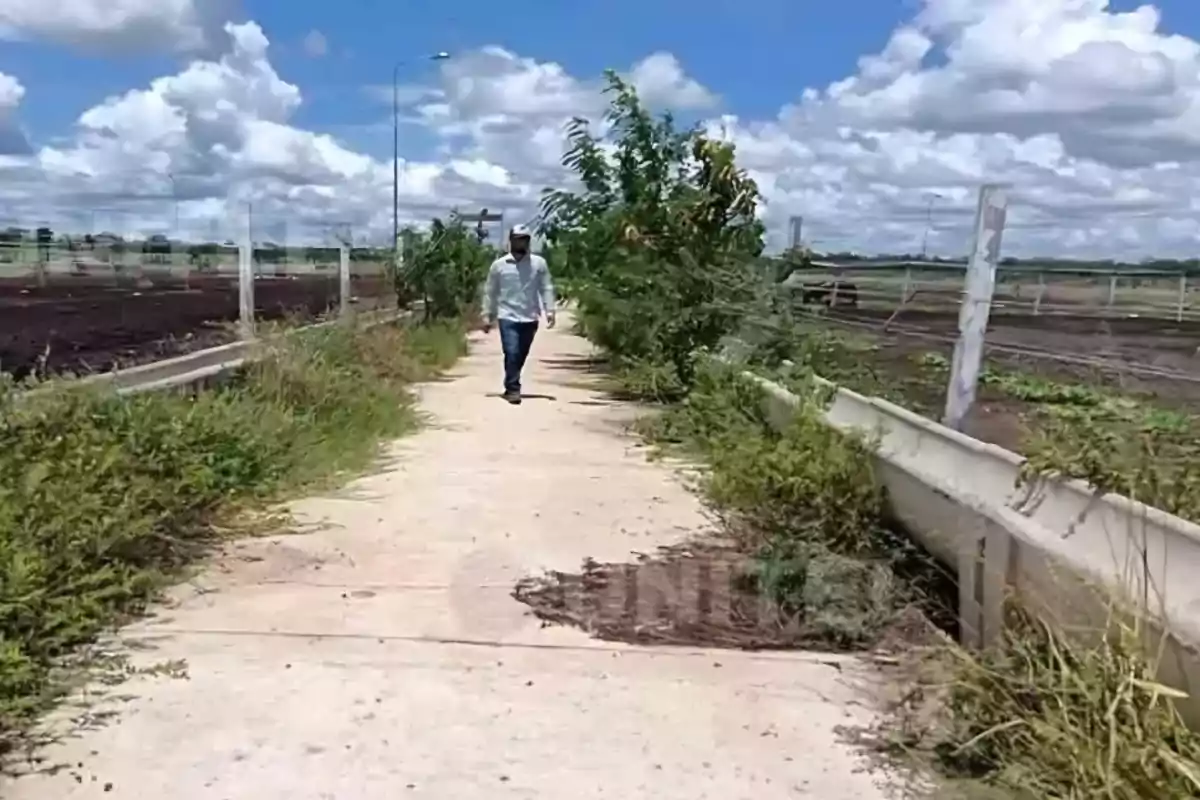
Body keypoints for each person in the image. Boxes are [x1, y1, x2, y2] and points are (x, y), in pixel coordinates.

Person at [481, 224, 556, 404]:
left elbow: (546, 286)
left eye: (524, 239)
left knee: (520, 354)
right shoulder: (499, 265)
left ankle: (511, 381)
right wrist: (486, 314)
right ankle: (513, 389)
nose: (521, 242)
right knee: (512, 352)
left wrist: (550, 310)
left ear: (528, 241)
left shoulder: (538, 263)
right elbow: (490, 290)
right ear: (511, 240)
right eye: (517, 239)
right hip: (507, 315)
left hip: (530, 316)